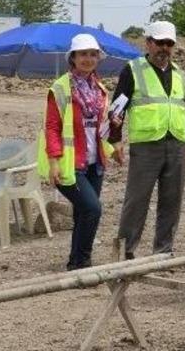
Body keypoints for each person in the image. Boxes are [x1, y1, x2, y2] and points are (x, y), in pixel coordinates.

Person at [109, 21, 185, 259]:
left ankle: (163, 251)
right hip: (146, 146)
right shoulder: (133, 70)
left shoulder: (179, 74)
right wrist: (114, 140)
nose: (164, 48)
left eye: (169, 43)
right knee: (137, 201)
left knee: (172, 201)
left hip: (176, 143)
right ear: (148, 43)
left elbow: (182, 108)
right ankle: (125, 252)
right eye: (159, 43)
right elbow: (117, 109)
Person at [38, 33, 120, 270]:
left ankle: (77, 261)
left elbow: (100, 127)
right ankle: (81, 262)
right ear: (72, 58)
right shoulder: (61, 88)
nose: (88, 59)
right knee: (92, 209)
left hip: (95, 163)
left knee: (84, 214)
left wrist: (113, 143)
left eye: (93, 54)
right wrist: (54, 161)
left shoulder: (100, 89)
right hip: (69, 163)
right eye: (83, 54)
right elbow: (52, 127)